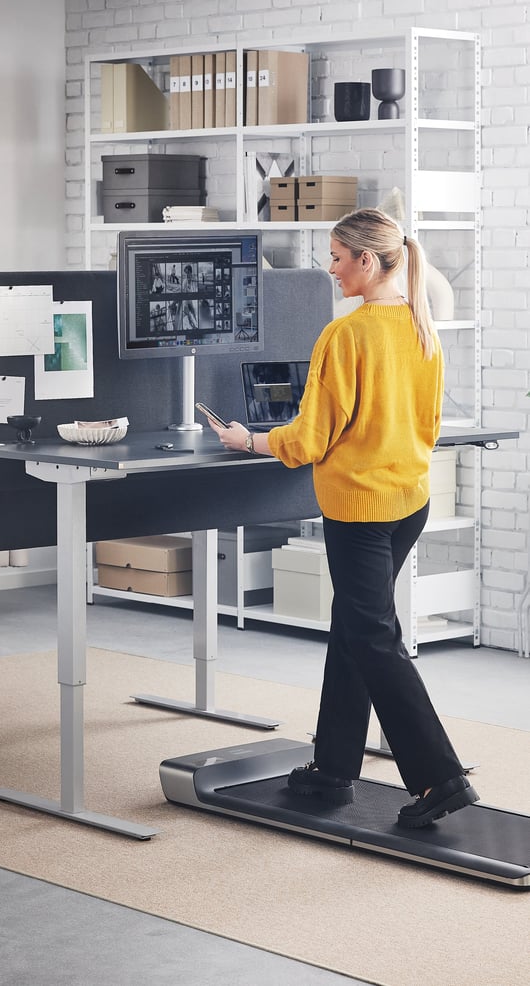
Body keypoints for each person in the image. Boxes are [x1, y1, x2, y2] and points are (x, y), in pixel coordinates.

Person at [205, 208, 479, 829]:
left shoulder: (345, 337)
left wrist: (249, 440)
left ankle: (441, 778)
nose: (329, 270)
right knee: (356, 626)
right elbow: (428, 428)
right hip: (409, 499)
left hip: (358, 510)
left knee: (373, 636)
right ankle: (334, 769)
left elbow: (307, 441)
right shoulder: (421, 328)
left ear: (367, 261)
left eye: (335, 257)